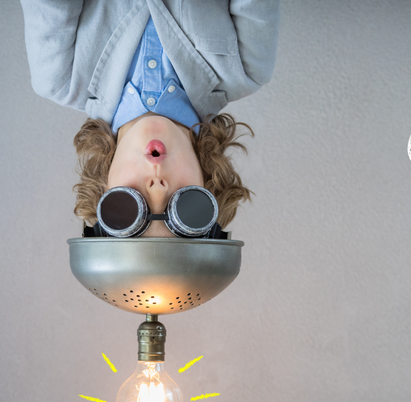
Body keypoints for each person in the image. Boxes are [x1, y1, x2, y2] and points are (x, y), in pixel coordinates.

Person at [20, 0, 280, 237]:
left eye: (128, 203)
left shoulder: (59, 76)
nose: (157, 187)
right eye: (186, 203)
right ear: (210, 186)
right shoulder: (247, 69)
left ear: (102, 190)